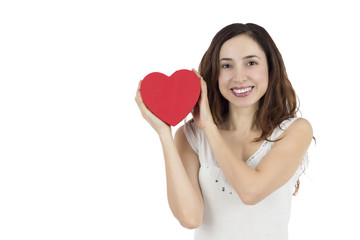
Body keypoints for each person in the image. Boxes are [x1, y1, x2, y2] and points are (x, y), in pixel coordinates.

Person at [135, 23, 313, 240]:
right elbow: (190, 217)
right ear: (214, 73)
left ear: (270, 68)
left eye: (251, 63)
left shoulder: (293, 131)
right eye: (227, 66)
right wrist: (164, 132)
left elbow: (251, 192)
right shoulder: (191, 136)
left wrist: (209, 126)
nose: (239, 77)